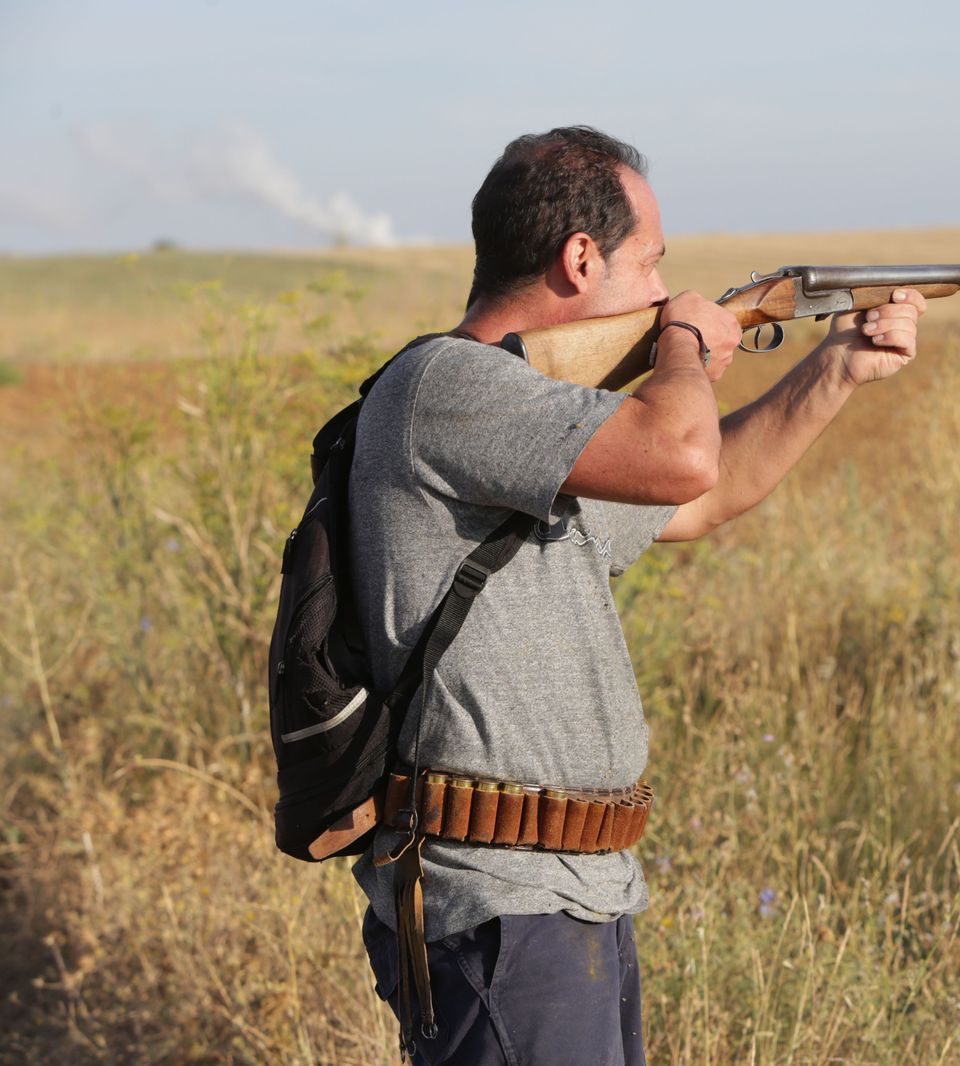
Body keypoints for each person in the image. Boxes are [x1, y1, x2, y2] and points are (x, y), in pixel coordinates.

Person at [349, 126, 926, 1065]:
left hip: (575, 890)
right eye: (651, 263)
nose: (663, 291)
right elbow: (679, 453)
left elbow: (697, 497)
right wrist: (688, 347)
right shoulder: (448, 386)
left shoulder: (526, 413)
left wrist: (836, 368)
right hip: (498, 898)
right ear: (581, 257)